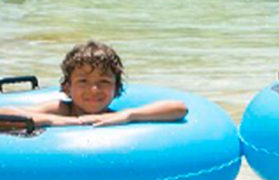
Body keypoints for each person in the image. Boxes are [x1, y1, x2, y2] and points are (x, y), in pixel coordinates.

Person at [0, 41, 187, 127]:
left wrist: (129, 115)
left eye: (104, 82)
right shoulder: (61, 109)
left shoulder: (115, 116)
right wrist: (58, 121)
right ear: (67, 88)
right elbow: (5, 114)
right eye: (83, 81)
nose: (94, 90)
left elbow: (179, 108)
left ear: (117, 89)